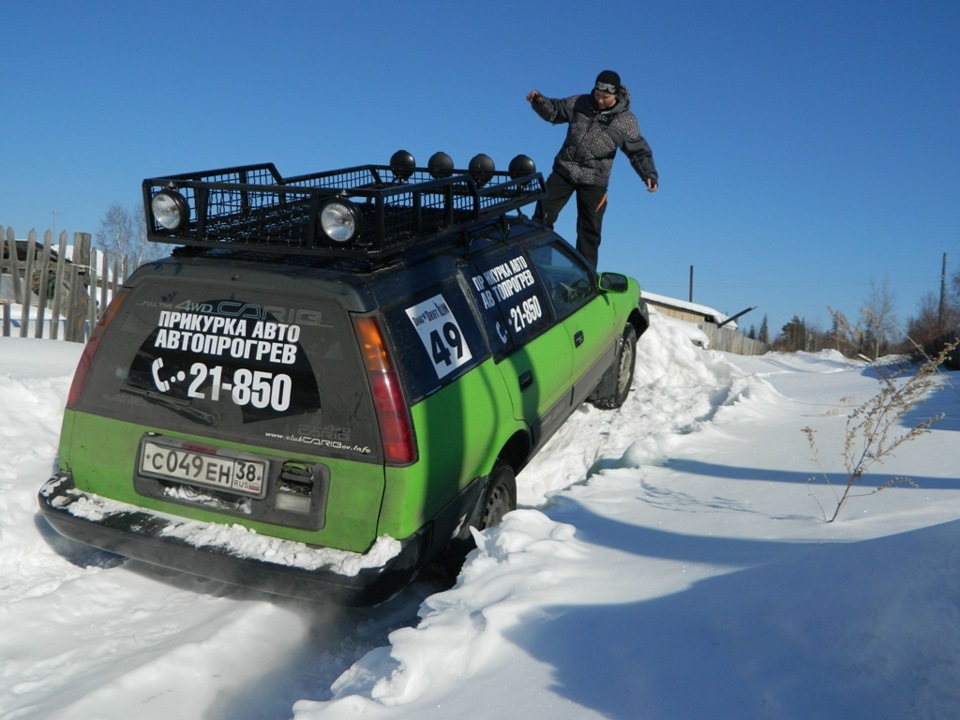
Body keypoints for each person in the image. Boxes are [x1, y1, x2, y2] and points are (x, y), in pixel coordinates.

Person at [526, 70, 658, 268]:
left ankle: (584, 280)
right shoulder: (581, 103)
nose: (600, 100)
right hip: (565, 171)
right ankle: (537, 266)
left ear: (616, 95)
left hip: (594, 182)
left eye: (605, 97)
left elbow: (638, 151)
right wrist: (539, 101)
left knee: (589, 232)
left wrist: (648, 174)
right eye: (597, 95)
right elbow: (555, 110)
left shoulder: (626, 121)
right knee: (542, 217)